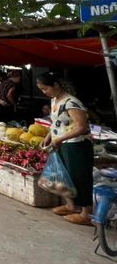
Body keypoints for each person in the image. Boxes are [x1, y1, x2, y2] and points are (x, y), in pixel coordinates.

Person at [37, 72, 93, 226]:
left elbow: (82, 127)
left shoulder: (71, 103)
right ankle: (71, 205)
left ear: (55, 85)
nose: (44, 92)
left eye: (45, 88)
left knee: (79, 177)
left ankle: (86, 214)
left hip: (76, 145)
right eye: (41, 89)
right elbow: (57, 123)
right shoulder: (55, 100)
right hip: (61, 144)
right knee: (64, 175)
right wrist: (48, 137)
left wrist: (60, 139)